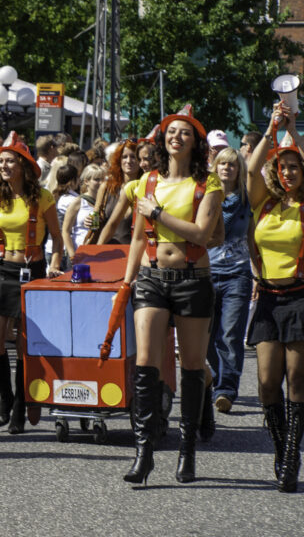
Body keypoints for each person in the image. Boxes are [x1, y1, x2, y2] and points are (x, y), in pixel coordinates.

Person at [121, 104, 223, 485]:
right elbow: (136, 239)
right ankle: (143, 451)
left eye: (185, 132)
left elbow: (201, 234)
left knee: (192, 366)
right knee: (145, 363)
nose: (176, 137)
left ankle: (187, 450)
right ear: (163, 139)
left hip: (193, 279)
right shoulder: (147, 181)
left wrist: (158, 214)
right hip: (151, 278)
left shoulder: (208, 184)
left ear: (196, 142)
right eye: (171, 131)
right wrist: (126, 283)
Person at [0, 132, 62, 434]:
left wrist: (55, 265)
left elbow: (57, 238)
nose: (4, 166)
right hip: (1, 271)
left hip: (32, 270)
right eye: (1, 161)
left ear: (23, 165)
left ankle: (20, 404)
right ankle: (5, 398)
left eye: (9, 161)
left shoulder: (42, 197)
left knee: (24, 345)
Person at [246, 101, 304, 492]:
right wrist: (271, 129)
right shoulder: (263, 202)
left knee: (297, 381)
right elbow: (252, 170)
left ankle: (291, 459)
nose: (288, 172)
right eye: (282, 167)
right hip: (267, 298)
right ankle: (282, 448)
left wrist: (294, 129)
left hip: (300, 297)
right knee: (267, 382)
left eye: (294, 166)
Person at [207, 147, 253, 415]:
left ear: (239, 170)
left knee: (231, 334)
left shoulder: (247, 199)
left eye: (232, 164)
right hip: (206, 273)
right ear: (215, 167)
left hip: (238, 274)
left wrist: (259, 273)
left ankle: (226, 390)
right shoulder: (205, 197)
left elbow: (252, 238)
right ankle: (218, 378)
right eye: (222, 163)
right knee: (208, 336)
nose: (226, 168)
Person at [92, 140, 142, 245]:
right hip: (107, 249)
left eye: (133, 157)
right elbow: (95, 218)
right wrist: (91, 222)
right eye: (124, 157)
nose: (128, 161)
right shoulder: (107, 187)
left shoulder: (146, 188)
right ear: (119, 160)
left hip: (137, 251)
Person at [62, 163, 105, 264]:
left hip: (100, 253)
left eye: (102, 179)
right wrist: (72, 255)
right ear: (86, 181)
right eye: (96, 179)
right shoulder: (78, 201)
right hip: (79, 253)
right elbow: (65, 231)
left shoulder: (106, 201)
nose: (100, 183)